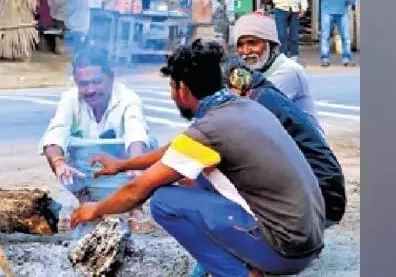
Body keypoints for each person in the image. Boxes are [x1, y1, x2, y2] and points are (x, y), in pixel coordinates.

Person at [70, 40, 325, 277]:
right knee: (194, 179)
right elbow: (176, 148)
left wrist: (94, 209)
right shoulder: (241, 107)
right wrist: (122, 165)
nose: (172, 94)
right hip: (307, 239)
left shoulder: (211, 130)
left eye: (172, 86)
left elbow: (137, 190)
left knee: (164, 201)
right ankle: (243, 260)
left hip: (286, 251)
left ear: (182, 88)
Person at [40, 47, 157, 233]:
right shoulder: (70, 99)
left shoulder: (128, 99)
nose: (91, 90)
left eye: (97, 82)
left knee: (149, 144)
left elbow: (136, 132)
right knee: (54, 148)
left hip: (122, 169)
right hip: (85, 169)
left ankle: (134, 206)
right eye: (83, 84)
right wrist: (59, 162)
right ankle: (86, 202)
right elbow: (56, 132)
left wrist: (136, 164)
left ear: (111, 77)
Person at [224, 57, 346, 227]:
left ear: (237, 81)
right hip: (324, 193)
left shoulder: (258, 102)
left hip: (322, 198)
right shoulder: (263, 94)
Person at [234, 11, 319, 124]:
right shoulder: (249, 71)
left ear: (271, 45)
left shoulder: (288, 71)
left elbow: (254, 111)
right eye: (240, 45)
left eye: (253, 43)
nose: (246, 51)